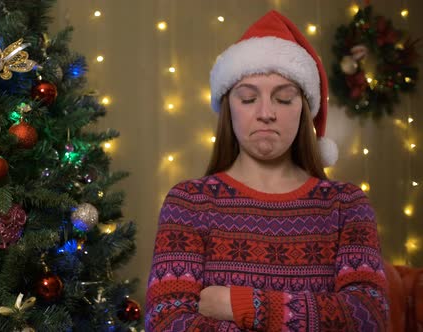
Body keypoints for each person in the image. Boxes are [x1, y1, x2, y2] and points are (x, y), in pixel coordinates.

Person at [145, 10, 388, 332]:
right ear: (228, 107)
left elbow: (367, 316)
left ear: (304, 110)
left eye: (284, 98)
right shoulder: (189, 202)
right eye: (248, 98)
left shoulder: (346, 205)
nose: (265, 113)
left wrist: (242, 305)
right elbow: (166, 322)